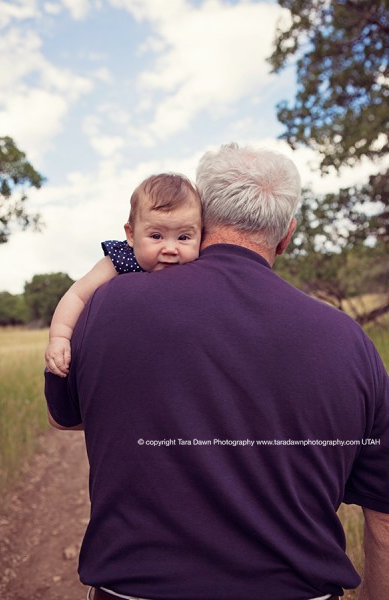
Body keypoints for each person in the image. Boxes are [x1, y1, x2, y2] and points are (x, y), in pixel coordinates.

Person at [45, 143, 389, 600]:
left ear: (203, 220)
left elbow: (63, 415)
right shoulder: (350, 342)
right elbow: (383, 516)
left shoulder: (108, 303)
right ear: (286, 235)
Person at [45, 173, 202, 377]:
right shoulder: (122, 260)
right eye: (156, 236)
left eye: (184, 237)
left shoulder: (201, 265)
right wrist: (60, 338)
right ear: (131, 234)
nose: (171, 248)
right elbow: (77, 295)